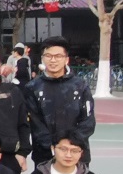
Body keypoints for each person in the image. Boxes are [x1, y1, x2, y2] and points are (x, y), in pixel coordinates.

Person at [25, 37, 95, 165]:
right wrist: (54, 147)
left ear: (66, 59)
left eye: (58, 56)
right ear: (42, 58)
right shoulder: (32, 88)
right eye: (48, 56)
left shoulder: (80, 86)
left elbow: (88, 121)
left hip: (76, 154)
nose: (53, 60)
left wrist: (70, 145)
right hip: (44, 156)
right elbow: (35, 123)